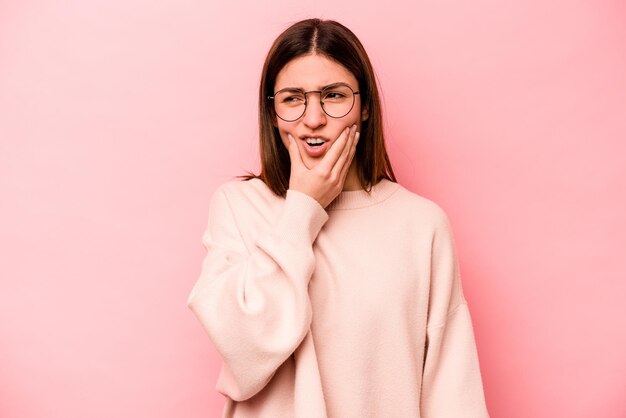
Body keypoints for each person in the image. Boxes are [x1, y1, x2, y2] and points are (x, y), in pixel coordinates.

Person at [186, 18, 490, 418]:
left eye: (333, 95)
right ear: (273, 114)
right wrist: (303, 208)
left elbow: (452, 390)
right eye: (293, 99)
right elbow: (245, 348)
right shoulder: (240, 207)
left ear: (363, 108)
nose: (313, 119)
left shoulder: (422, 224)